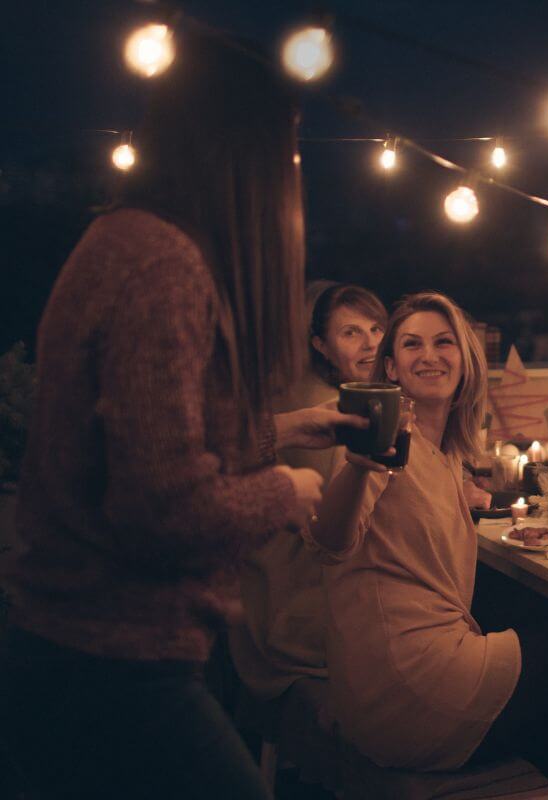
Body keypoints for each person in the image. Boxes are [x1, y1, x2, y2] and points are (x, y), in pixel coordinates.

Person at [0, 30, 352, 798]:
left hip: (72, 643)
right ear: (241, 150)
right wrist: (284, 490)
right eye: (284, 151)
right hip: (108, 656)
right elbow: (159, 507)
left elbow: (149, 439)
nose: (289, 173)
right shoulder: (168, 267)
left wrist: (283, 431)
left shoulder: (121, 239)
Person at [308, 293, 548, 795]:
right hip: (411, 686)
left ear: (465, 361)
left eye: (443, 342)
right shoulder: (384, 441)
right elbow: (332, 540)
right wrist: (361, 464)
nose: (429, 355)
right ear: (391, 368)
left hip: (389, 685)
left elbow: (458, 501)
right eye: (412, 345)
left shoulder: (441, 451)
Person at [229, 282, 388, 703]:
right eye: (351, 333)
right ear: (319, 344)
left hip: (265, 600)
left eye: (377, 329)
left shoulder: (330, 400)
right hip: (298, 609)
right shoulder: (330, 410)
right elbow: (339, 534)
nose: (371, 344)